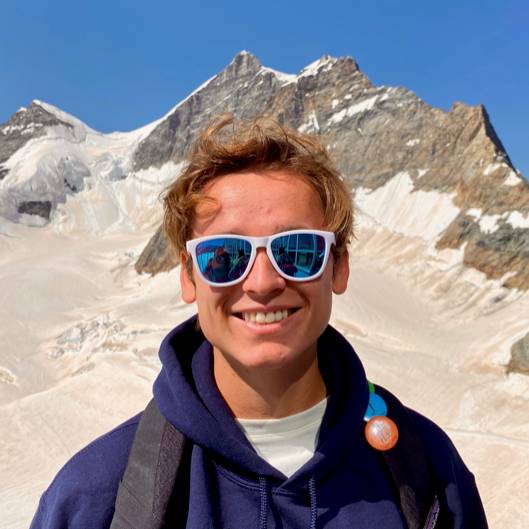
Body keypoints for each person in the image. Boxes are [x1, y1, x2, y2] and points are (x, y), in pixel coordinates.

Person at [30, 115, 488, 528]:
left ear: (339, 266)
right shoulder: (95, 499)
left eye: (298, 251)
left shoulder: (428, 473)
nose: (263, 282)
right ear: (188, 276)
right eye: (224, 256)